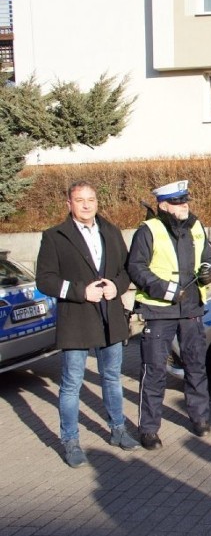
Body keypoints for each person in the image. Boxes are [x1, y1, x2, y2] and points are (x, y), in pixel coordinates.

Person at [36, 181, 140, 467]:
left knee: (111, 378)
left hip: (110, 316)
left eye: (91, 199)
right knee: (71, 384)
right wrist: (81, 291)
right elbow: (44, 280)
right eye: (79, 200)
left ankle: (118, 430)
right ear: (69, 204)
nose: (86, 205)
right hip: (76, 320)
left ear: (97, 202)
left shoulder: (110, 231)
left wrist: (116, 287)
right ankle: (70, 441)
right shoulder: (54, 236)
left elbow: (125, 270)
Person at [127, 180, 211, 450]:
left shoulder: (196, 226)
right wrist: (165, 290)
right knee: (153, 370)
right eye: (178, 202)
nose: (184, 206)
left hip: (191, 308)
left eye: (185, 201)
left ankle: (200, 418)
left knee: (195, 365)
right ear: (163, 205)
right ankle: (149, 429)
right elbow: (136, 267)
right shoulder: (148, 230)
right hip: (159, 310)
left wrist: (209, 270)